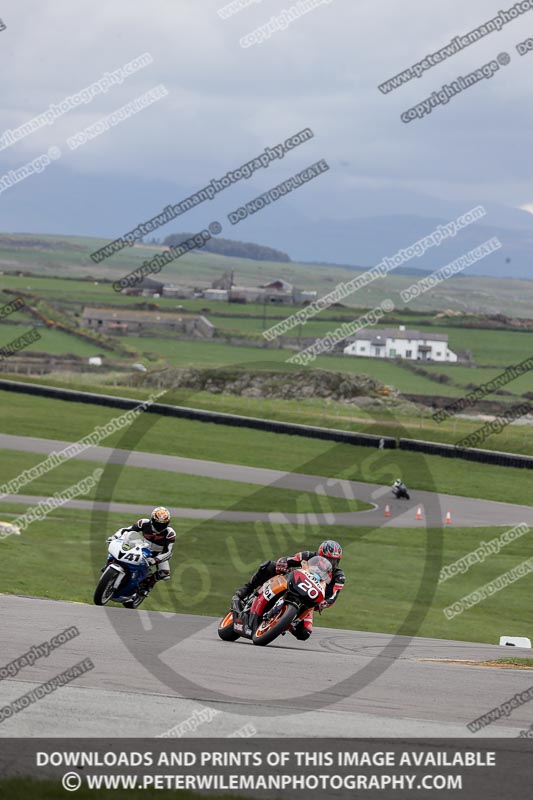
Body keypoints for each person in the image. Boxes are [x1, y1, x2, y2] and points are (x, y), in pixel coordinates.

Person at [232, 540, 345, 640]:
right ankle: (246, 590)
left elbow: (333, 596)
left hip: (308, 599)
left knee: (304, 633)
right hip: (291, 582)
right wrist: (283, 563)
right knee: (270, 566)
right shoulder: (308, 555)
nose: (331, 563)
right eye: (329, 559)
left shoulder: (338, 576)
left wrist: (325, 603)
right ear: (320, 555)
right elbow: (289, 559)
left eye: (335, 560)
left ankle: (284, 620)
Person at [107, 506, 175, 596]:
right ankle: (109, 564)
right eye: (158, 523)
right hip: (142, 547)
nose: (160, 527)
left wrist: (155, 560)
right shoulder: (143, 523)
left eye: (163, 524)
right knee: (119, 550)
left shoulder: (170, 533)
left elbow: (168, 552)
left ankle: (147, 587)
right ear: (152, 520)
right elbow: (127, 530)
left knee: (164, 573)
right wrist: (115, 537)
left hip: (157, 554)